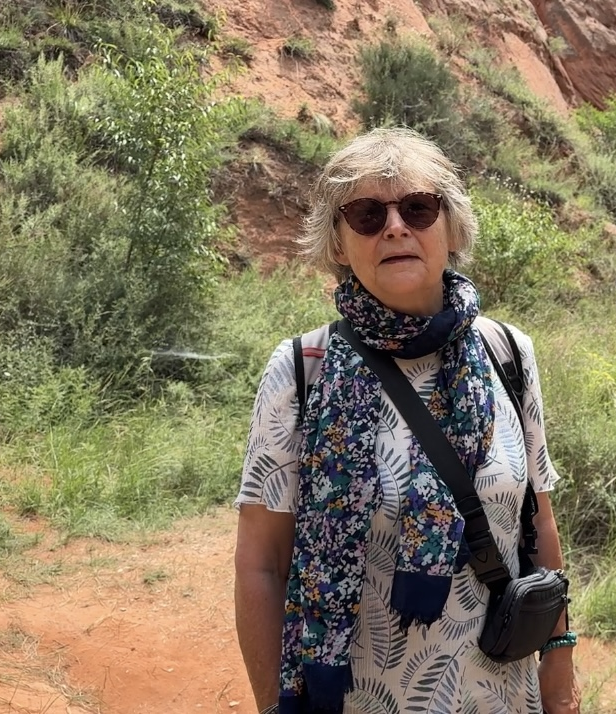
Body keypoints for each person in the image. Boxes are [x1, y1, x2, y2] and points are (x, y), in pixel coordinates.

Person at [233, 127, 579, 714]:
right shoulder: (301, 369)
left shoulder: (508, 354)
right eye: (367, 215)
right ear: (339, 243)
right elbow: (261, 564)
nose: (395, 227)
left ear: (451, 228)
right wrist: (273, 706)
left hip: (499, 696)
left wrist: (561, 675)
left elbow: (538, 523)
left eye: (417, 209)